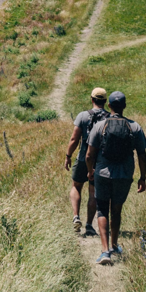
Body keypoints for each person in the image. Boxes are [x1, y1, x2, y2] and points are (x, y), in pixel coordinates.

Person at [85, 91, 146, 265]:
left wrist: (90, 171)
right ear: (125, 106)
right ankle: (114, 244)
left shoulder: (100, 126)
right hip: (124, 175)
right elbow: (142, 155)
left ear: (110, 106)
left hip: (103, 174)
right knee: (117, 210)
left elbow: (89, 155)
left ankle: (105, 251)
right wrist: (142, 177)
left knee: (102, 209)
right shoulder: (134, 127)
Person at [64, 88, 110, 236]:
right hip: (100, 161)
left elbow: (74, 139)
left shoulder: (83, 116)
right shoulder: (109, 118)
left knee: (76, 186)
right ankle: (89, 225)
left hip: (83, 157)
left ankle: (76, 216)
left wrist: (68, 155)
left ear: (92, 100)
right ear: (105, 102)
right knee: (93, 193)